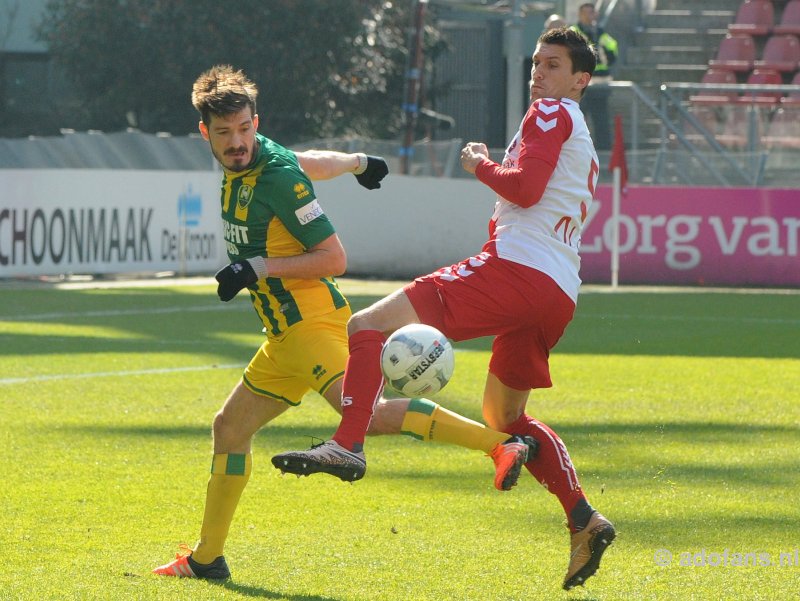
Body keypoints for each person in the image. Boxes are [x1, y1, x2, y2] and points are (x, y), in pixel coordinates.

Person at [152, 65, 535, 580]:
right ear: (206, 132)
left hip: (311, 326)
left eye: (244, 129)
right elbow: (306, 160)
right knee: (230, 428)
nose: (237, 142)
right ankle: (207, 558)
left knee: (367, 415)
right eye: (225, 133)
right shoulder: (259, 156)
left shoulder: (275, 177)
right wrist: (356, 162)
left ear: (254, 120)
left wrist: (256, 267)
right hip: (283, 339)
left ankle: (500, 444)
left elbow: (333, 257)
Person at [273, 28, 616, 590]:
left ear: (581, 80)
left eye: (552, 65)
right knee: (505, 419)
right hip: (557, 292)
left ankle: (347, 445)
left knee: (367, 325)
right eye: (535, 64)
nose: (538, 74)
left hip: (517, 270)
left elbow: (526, 190)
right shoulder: (578, 130)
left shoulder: (551, 112)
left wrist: (479, 164)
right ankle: (583, 519)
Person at [571, 2, 619, 150]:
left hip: (600, 84)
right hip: (580, 86)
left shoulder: (601, 33)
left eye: (592, 13)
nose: (589, 16)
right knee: (576, 120)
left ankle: (603, 150)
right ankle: (574, 149)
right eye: (586, 13)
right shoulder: (573, 33)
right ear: (580, 15)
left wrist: (604, 52)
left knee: (601, 120)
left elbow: (613, 52)